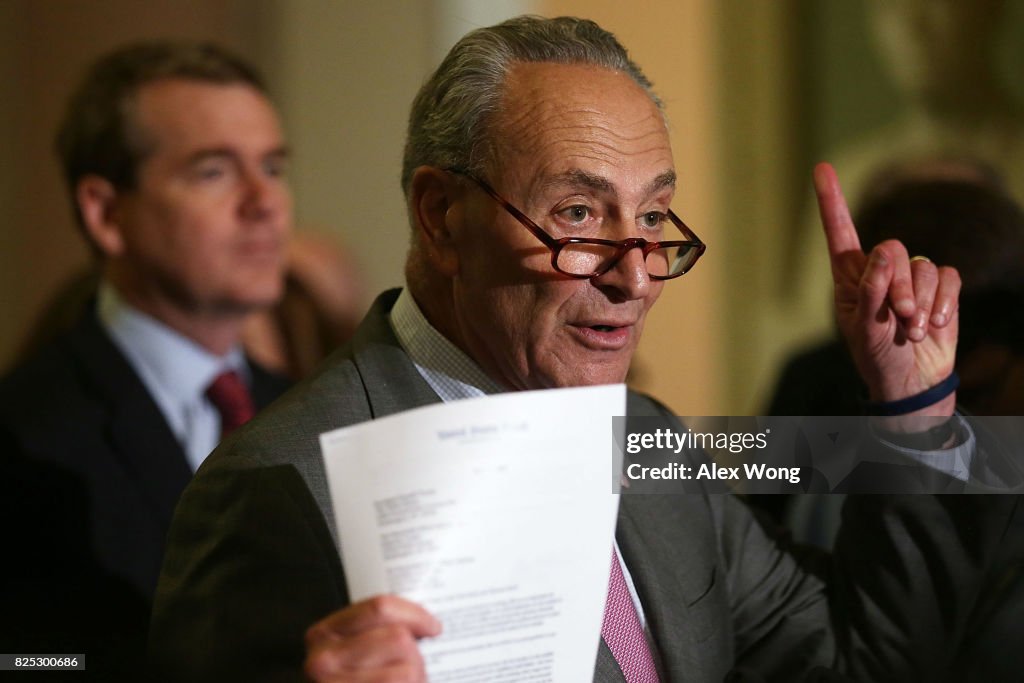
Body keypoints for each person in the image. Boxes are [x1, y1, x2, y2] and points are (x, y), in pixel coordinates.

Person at [149, 16, 1015, 682]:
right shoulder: (280, 486)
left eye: (650, 217)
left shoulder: (651, 441)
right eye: (577, 215)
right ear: (441, 216)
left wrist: (911, 412)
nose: (635, 277)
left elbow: (859, 662)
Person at [0, 42, 292, 676]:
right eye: (214, 171)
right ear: (106, 214)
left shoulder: (308, 408)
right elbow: (25, 661)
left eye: (271, 167)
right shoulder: (22, 434)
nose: (264, 203)